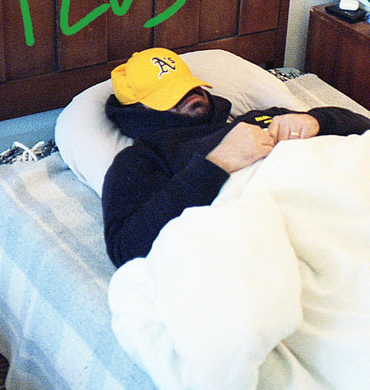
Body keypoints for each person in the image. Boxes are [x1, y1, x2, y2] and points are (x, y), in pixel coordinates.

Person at [102, 48, 370, 267]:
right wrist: (216, 164)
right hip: (275, 242)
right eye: (168, 95)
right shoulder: (143, 157)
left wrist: (316, 120)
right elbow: (126, 249)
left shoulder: (260, 116)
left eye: (188, 86)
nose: (189, 94)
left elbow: (363, 129)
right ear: (138, 113)